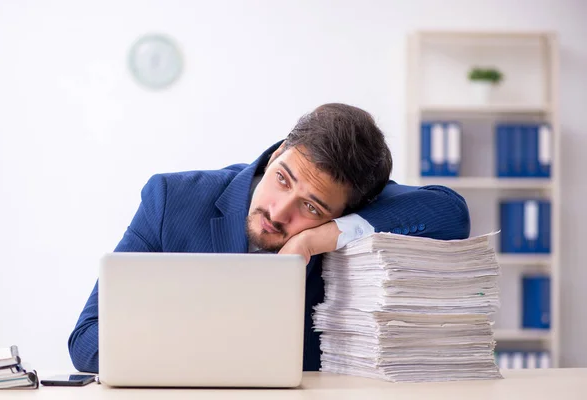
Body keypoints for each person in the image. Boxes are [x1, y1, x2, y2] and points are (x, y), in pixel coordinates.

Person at [68, 103, 470, 373]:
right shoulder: (172, 199)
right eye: (283, 179)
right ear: (278, 153)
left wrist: (320, 238)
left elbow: (450, 213)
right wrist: (197, 342)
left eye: (311, 207)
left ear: (346, 210)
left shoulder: (349, 216)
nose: (279, 213)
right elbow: (86, 343)